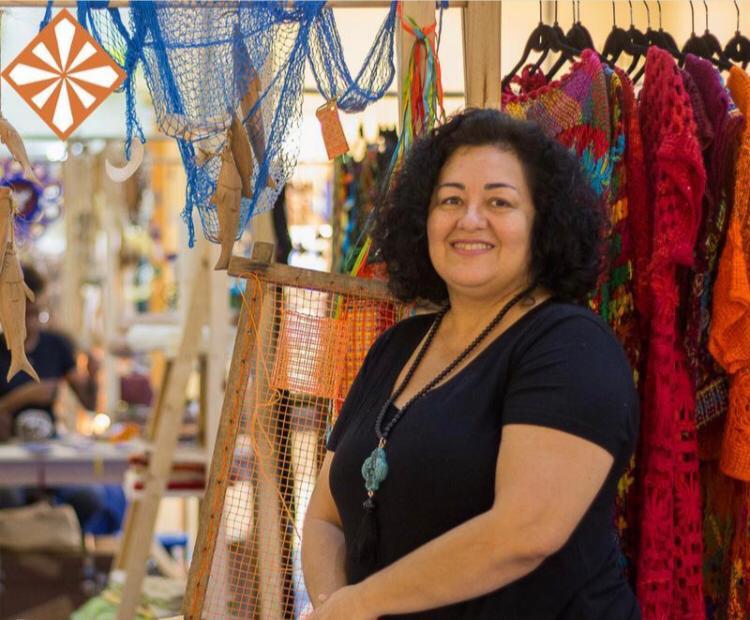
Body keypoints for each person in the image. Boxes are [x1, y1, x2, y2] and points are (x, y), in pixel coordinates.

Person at [302, 109, 640, 619]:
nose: (470, 219)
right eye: (451, 200)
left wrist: (363, 604)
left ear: (542, 224)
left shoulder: (571, 347)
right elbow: (325, 517)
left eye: (499, 202)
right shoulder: (396, 347)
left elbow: (525, 531)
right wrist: (335, 608)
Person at [0, 264, 122, 533]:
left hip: (49, 451)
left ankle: (67, 554)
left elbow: (89, 403)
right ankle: (20, 554)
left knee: (90, 497)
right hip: (8, 454)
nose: (32, 323)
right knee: (8, 497)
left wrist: (94, 377)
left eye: (37, 314)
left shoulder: (57, 345)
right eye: (25, 315)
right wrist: (20, 398)